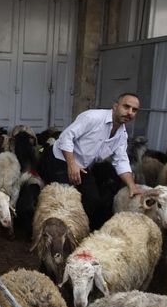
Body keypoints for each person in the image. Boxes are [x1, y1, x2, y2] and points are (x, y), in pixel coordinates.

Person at [40, 93, 142, 230]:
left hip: (82, 165)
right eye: (126, 107)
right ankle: (54, 232)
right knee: (63, 197)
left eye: (134, 110)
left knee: (93, 199)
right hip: (59, 159)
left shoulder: (121, 135)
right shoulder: (92, 117)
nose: (129, 112)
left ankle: (79, 231)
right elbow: (65, 138)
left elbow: (121, 160)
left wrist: (132, 185)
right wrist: (71, 164)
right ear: (115, 106)